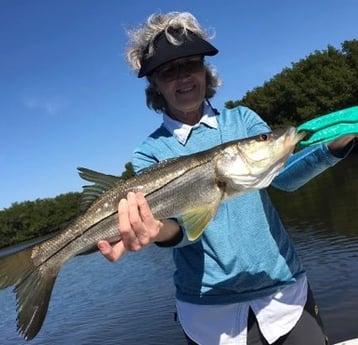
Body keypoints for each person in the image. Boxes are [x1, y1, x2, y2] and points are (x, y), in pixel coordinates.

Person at [97, 11, 356, 345]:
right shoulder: (149, 151)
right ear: (155, 85)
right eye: (167, 71)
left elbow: (283, 178)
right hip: (208, 314)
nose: (182, 77)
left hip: (285, 293)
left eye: (190, 63)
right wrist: (155, 231)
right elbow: (182, 229)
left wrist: (334, 147)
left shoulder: (243, 119)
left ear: (204, 69)